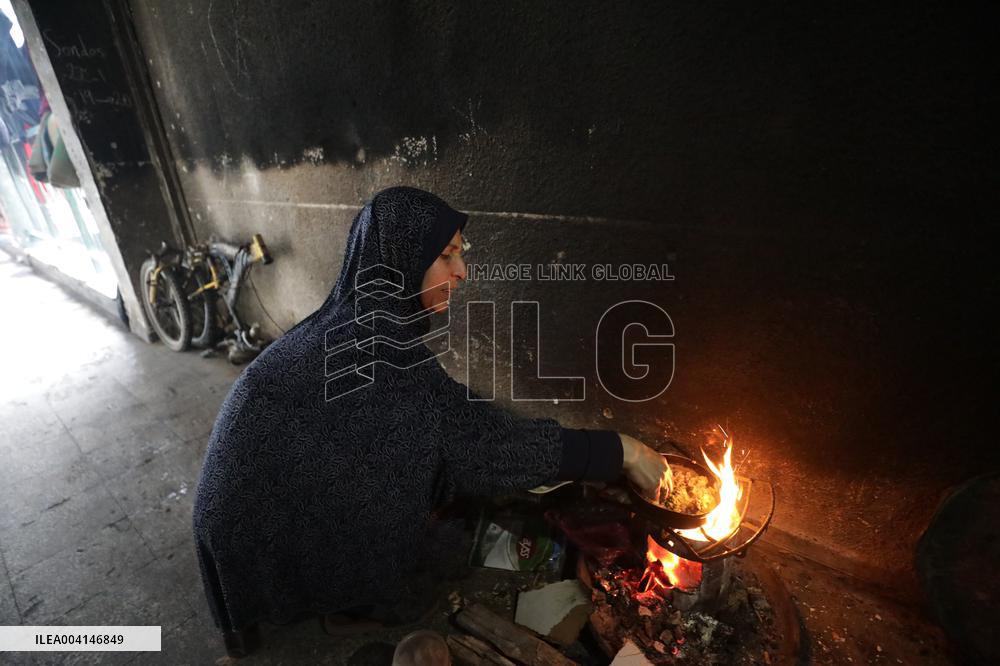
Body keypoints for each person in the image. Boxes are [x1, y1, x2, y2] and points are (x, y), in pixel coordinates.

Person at [192, 186, 669, 657]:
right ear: (400, 262)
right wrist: (620, 451)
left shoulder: (352, 319)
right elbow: (484, 445)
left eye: (460, 253)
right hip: (254, 528)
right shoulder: (378, 354)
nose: (462, 271)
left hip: (236, 514)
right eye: (445, 256)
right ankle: (349, 606)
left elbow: (441, 409)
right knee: (430, 560)